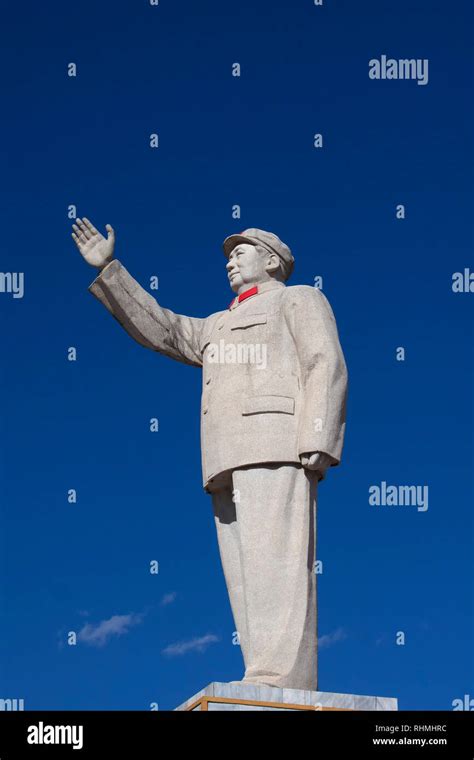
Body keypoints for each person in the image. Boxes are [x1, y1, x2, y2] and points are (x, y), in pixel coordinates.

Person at [72, 218, 348, 690]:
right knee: (245, 575)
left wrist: (318, 435)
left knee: (277, 562)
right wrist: (111, 269)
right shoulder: (216, 325)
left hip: (277, 443)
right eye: (228, 255)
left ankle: (284, 676)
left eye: (242, 252)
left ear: (272, 261)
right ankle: (262, 672)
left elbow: (325, 362)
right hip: (225, 458)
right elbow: (162, 328)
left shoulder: (297, 298)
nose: (230, 260)